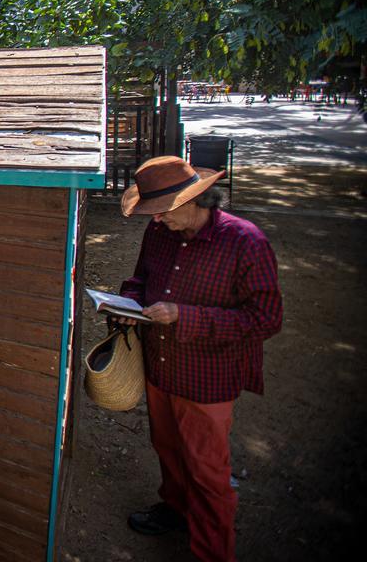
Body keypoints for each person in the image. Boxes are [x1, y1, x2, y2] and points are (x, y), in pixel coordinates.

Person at [117, 156, 282, 562]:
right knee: (167, 448)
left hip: (207, 378)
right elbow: (142, 279)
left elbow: (266, 319)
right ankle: (174, 508)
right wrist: (129, 302)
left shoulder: (247, 242)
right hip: (161, 365)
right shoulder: (159, 234)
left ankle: (212, 551)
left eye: (160, 212)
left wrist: (184, 316)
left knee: (208, 473)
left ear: (195, 200)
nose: (155, 221)